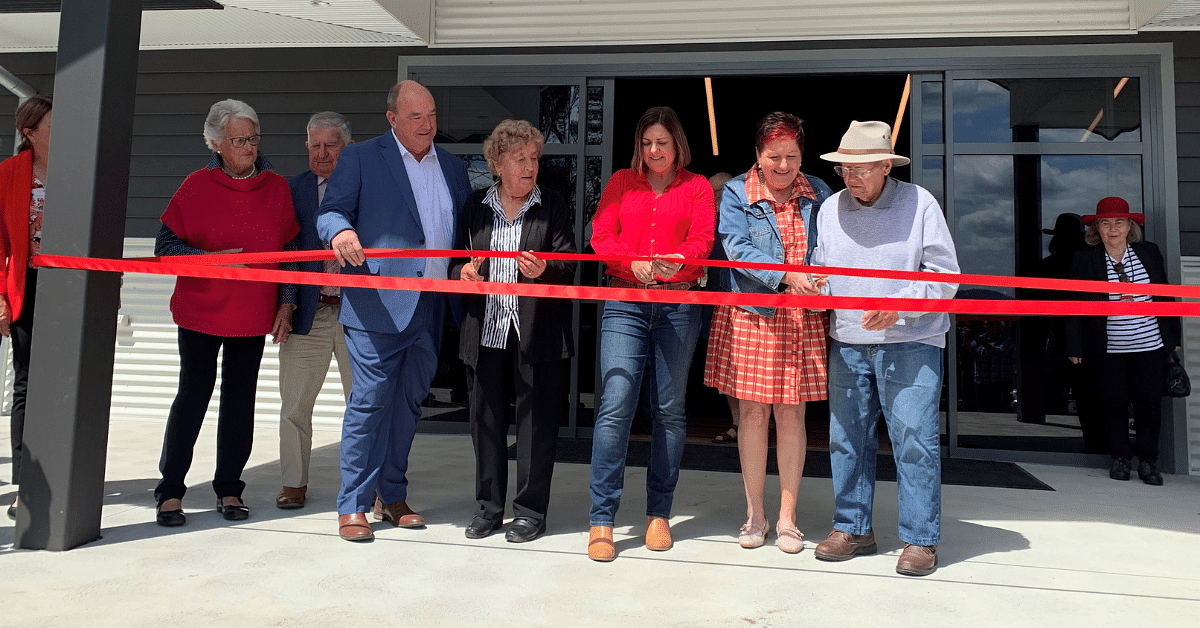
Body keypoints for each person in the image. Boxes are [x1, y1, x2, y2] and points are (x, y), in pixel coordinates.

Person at [316, 80, 471, 542]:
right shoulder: (362, 157)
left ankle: (392, 495)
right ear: (392, 119)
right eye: (415, 117)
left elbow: (459, 234)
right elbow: (330, 212)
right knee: (369, 404)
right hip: (377, 305)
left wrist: (466, 266)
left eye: (432, 116)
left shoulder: (454, 166)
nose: (427, 125)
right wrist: (340, 233)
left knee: (407, 404)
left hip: (432, 303)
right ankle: (353, 505)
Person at [810, 120, 959, 576]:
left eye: (860, 169)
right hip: (849, 340)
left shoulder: (920, 203)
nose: (850, 178)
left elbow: (945, 274)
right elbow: (822, 267)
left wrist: (900, 307)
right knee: (846, 440)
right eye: (844, 170)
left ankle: (920, 539)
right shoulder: (830, 208)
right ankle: (853, 529)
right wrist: (815, 284)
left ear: (885, 166)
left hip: (912, 340)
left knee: (914, 440)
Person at [153, 99, 300, 526]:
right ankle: (170, 491)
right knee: (193, 397)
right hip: (201, 311)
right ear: (216, 144)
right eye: (239, 140)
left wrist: (287, 303)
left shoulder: (276, 187)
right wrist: (213, 260)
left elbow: (291, 251)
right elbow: (166, 248)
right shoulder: (196, 185)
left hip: (252, 314)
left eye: (253, 138)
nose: (249, 147)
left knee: (240, 402)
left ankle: (230, 488)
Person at [586, 106, 715, 561]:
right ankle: (601, 519)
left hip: (679, 305)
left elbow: (703, 239)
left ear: (678, 143)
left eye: (662, 141)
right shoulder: (622, 181)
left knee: (670, 409)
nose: (654, 150)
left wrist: (680, 259)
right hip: (625, 300)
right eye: (646, 143)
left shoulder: (698, 187)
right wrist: (629, 261)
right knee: (616, 403)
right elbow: (601, 234)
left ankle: (658, 514)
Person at [704, 112, 831, 554]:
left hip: (801, 316)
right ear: (758, 155)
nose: (783, 165)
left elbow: (828, 246)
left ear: (802, 155)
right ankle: (755, 514)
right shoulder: (738, 191)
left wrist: (817, 277)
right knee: (754, 415)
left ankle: (788, 518)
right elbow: (736, 247)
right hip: (754, 313)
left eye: (791, 156)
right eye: (773, 156)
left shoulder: (819, 190)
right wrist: (785, 276)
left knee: (792, 415)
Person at [449, 119, 576, 543]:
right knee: (485, 423)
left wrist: (545, 268)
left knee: (536, 427)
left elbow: (568, 262)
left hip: (535, 332)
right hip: (485, 331)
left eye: (534, 158)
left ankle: (530, 512)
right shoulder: (474, 206)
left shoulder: (553, 204)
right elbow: (454, 260)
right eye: (519, 159)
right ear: (496, 163)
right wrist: (462, 271)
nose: (529, 167)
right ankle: (488, 508)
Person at [271, 111, 355, 509]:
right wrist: (285, 305)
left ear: (348, 147)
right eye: (314, 145)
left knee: (365, 405)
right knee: (295, 405)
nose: (322, 153)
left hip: (359, 315)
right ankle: (293, 483)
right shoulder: (294, 190)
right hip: (311, 312)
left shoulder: (366, 185)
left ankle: (367, 486)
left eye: (331, 144)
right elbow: (288, 253)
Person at [1066, 197, 1180, 486]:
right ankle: (1120, 458)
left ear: (1130, 226)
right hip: (1109, 348)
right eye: (1105, 223)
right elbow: (1075, 305)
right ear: (1096, 229)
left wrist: (1173, 338)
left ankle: (1148, 462)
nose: (1112, 229)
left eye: (1119, 222)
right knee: (1113, 403)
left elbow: (1165, 295)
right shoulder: (1085, 258)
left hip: (1150, 345)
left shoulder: (1149, 252)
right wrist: (1074, 346)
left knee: (1149, 405)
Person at [0, 93, 52, 521]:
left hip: (74, 285)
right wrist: (0, 295)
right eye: (53, 125)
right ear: (30, 132)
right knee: (28, 384)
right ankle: (25, 485)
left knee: (70, 379)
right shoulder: (9, 173)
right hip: (28, 285)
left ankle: (67, 468)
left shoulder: (79, 168)